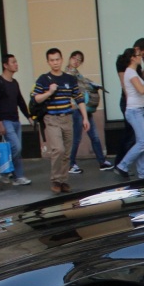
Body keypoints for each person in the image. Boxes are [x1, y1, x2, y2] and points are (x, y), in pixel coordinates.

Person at [34, 48, 90, 194]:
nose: (55, 63)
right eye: (52, 60)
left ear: (61, 59)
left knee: (67, 152)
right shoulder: (43, 79)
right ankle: (55, 180)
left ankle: (63, 180)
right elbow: (36, 98)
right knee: (58, 149)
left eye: (57, 59)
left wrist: (85, 118)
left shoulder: (69, 79)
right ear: (48, 62)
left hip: (67, 118)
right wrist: (49, 92)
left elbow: (79, 98)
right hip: (51, 119)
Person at [115, 46, 144, 179]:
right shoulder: (130, 72)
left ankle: (143, 172)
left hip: (140, 110)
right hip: (134, 111)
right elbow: (142, 90)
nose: (141, 56)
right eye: (138, 55)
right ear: (133, 58)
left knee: (142, 141)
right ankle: (123, 165)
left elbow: (141, 85)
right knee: (143, 142)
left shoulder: (133, 72)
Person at [0, 53, 32, 185]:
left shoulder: (14, 83)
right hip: (5, 121)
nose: (16, 64)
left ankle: (16, 175)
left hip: (15, 120)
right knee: (16, 147)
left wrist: (28, 116)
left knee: (17, 148)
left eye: (16, 61)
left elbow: (20, 100)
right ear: (5, 65)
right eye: (13, 62)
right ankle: (6, 172)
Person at [65, 50, 113, 174]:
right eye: (74, 58)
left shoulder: (78, 75)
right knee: (76, 138)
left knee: (94, 136)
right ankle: (71, 164)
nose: (76, 61)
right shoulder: (68, 74)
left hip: (85, 108)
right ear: (70, 58)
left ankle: (102, 162)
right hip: (76, 109)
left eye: (79, 60)